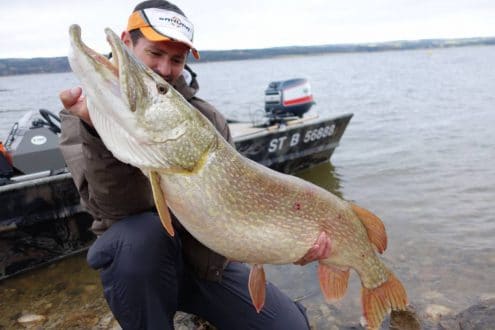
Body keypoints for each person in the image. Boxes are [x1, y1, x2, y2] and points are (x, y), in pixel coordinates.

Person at [59, 1, 331, 329]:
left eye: (176, 59)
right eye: (154, 53)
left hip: (205, 265)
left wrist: (291, 245)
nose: (164, 69)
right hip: (141, 265)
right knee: (141, 237)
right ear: (126, 42)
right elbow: (113, 211)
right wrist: (95, 132)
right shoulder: (83, 117)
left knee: (290, 326)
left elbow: (237, 214)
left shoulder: (209, 119)